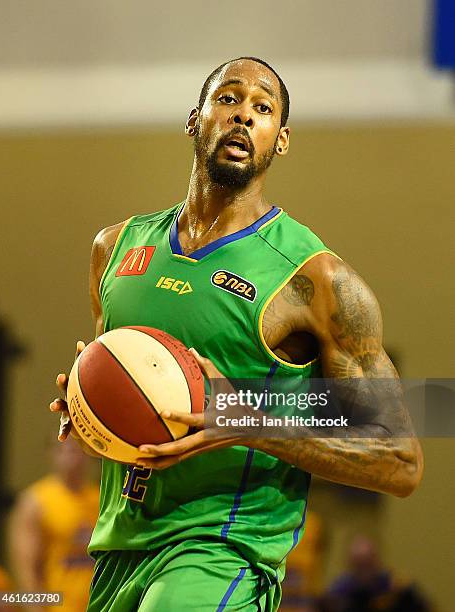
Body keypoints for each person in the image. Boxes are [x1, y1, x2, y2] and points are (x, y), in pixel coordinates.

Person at [50, 56, 423, 611]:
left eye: (262, 107)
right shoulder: (116, 247)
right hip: (117, 549)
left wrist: (254, 426)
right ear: (193, 119)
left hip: (222, 554)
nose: (243, 116)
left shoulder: (315, 281)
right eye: (228, 99)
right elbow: (140, 405)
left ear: (282, 139)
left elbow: (400, 461)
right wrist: (89, 409)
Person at [9, 437, 100, 611]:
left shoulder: (101, 499)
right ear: (52, 453)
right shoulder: (35, 502)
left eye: (76, 448)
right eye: (63, 448)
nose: (71, 455)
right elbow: (27, 570)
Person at [321, 535, 431, 612]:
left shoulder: (397, 588)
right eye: (359, 565)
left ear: (377, 560)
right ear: (349, 564)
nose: (365, 571)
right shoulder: (338, 593)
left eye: (368, 563)